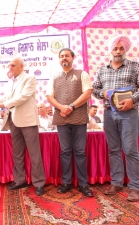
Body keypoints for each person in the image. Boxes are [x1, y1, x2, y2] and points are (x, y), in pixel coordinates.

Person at [92, 35, 139, 202]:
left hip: (130, 114)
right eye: (115, 48)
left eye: (121, 48)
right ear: (110, 50)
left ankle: (135, 187)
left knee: (130, 150)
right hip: (108, 113)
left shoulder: (135, 66)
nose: (118, 51)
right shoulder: (102, 69)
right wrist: (102, 93)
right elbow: (95, 89)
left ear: (125, 49)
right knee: (113, 149)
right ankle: (117, 182)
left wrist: (132, 100)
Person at [0, 56, 45, 196]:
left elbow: (23, 98)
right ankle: (20, 180)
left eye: (13, 65)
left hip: (28, 121)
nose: (10, 68)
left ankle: (39, 183)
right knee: (17, 154)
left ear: (21, 66)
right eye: (9, 66)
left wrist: (3, 104)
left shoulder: (29, 78)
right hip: (13, 121)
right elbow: (7, 99)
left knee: (34, 154)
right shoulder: (10, 82)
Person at [46, 48, 93, 197]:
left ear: (73, 58)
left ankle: (83, 184)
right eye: (61, 56)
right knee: (65, 151)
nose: (64, 58)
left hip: (79, 118)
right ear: (59, 59)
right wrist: (61, 108)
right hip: (61, 119)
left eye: (67, 55)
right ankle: (66, 182)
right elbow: (49, 96)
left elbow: (88, 93)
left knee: (79, 152)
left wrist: (71, 107)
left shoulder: (82, 74)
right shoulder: (54, 76)